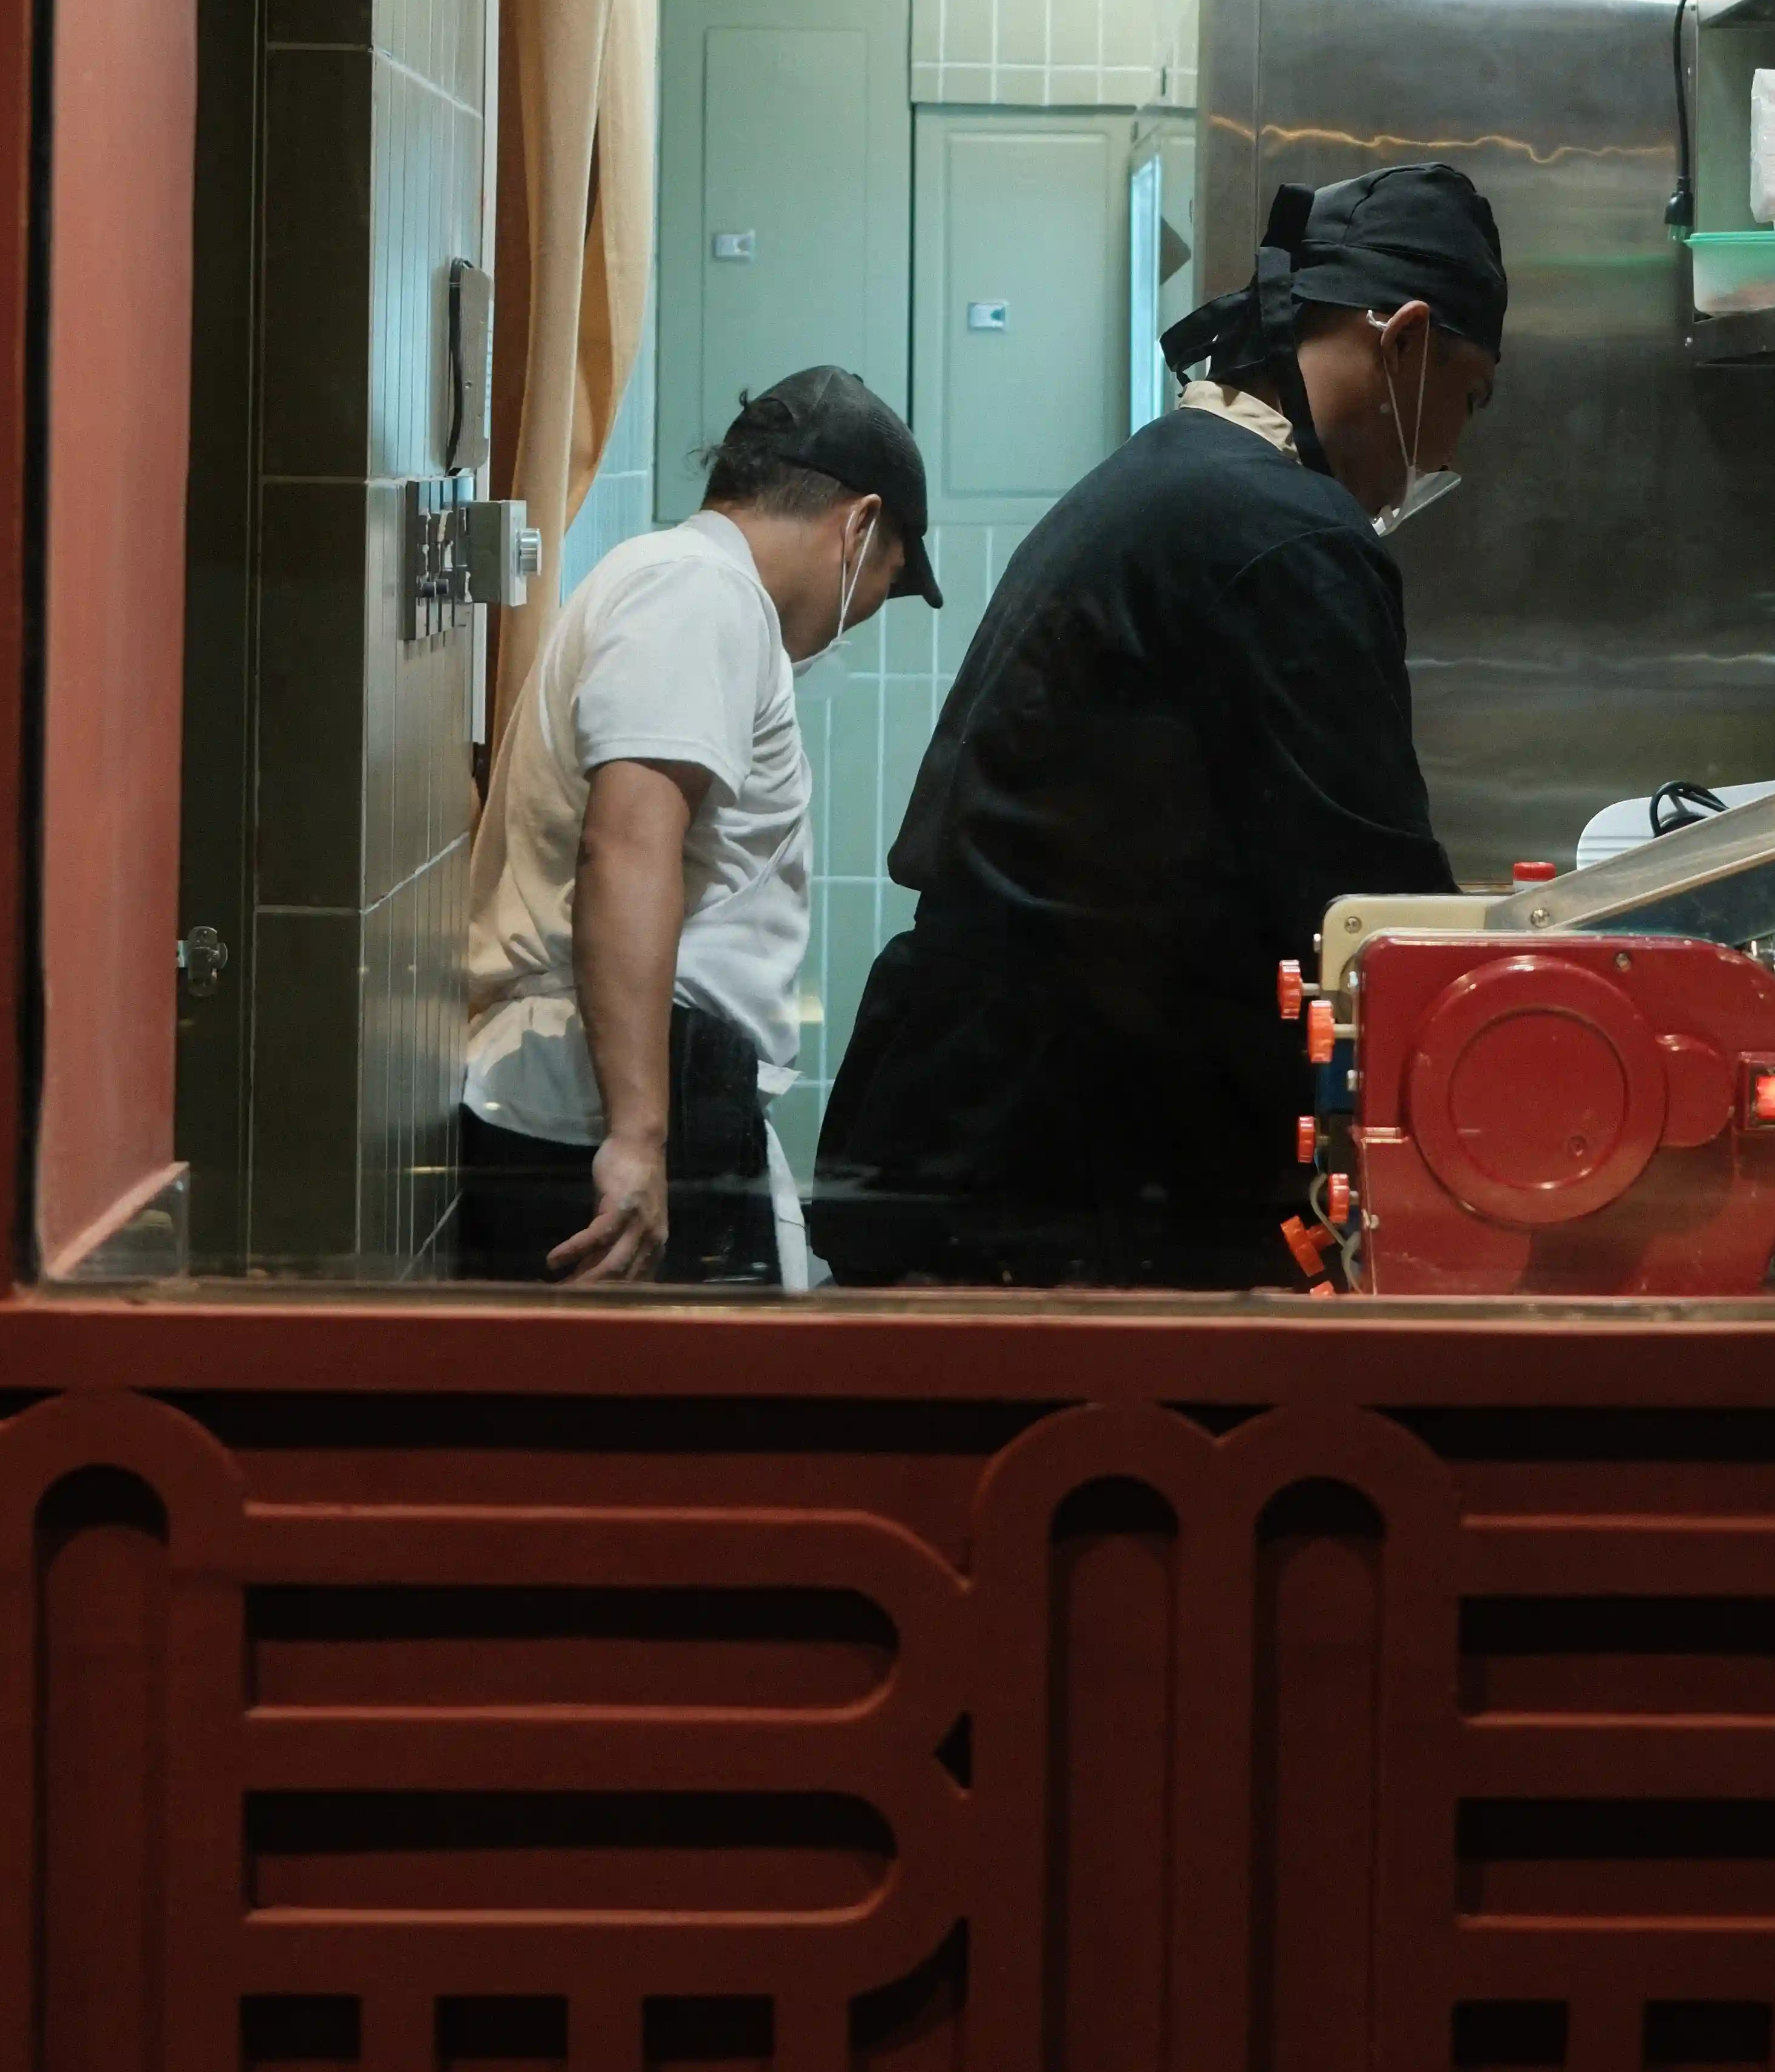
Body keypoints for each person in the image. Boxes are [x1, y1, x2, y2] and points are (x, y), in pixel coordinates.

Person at [812, 163, 1503, 1290]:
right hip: (1062, 1179)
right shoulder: (1288, 535)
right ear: (1408, 341)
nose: (1451, 455)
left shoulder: (1171, 472)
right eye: (1468, 399)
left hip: (970, 1130)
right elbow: (1372, 908)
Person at [459, 367, 938, 1285]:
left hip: (633, 1095)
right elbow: (625, 847)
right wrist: (639, 1138)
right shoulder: (697, 592)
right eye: (890, 580)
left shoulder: (687, 586)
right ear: (860, 525)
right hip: (598, 1118)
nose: (863, 618)